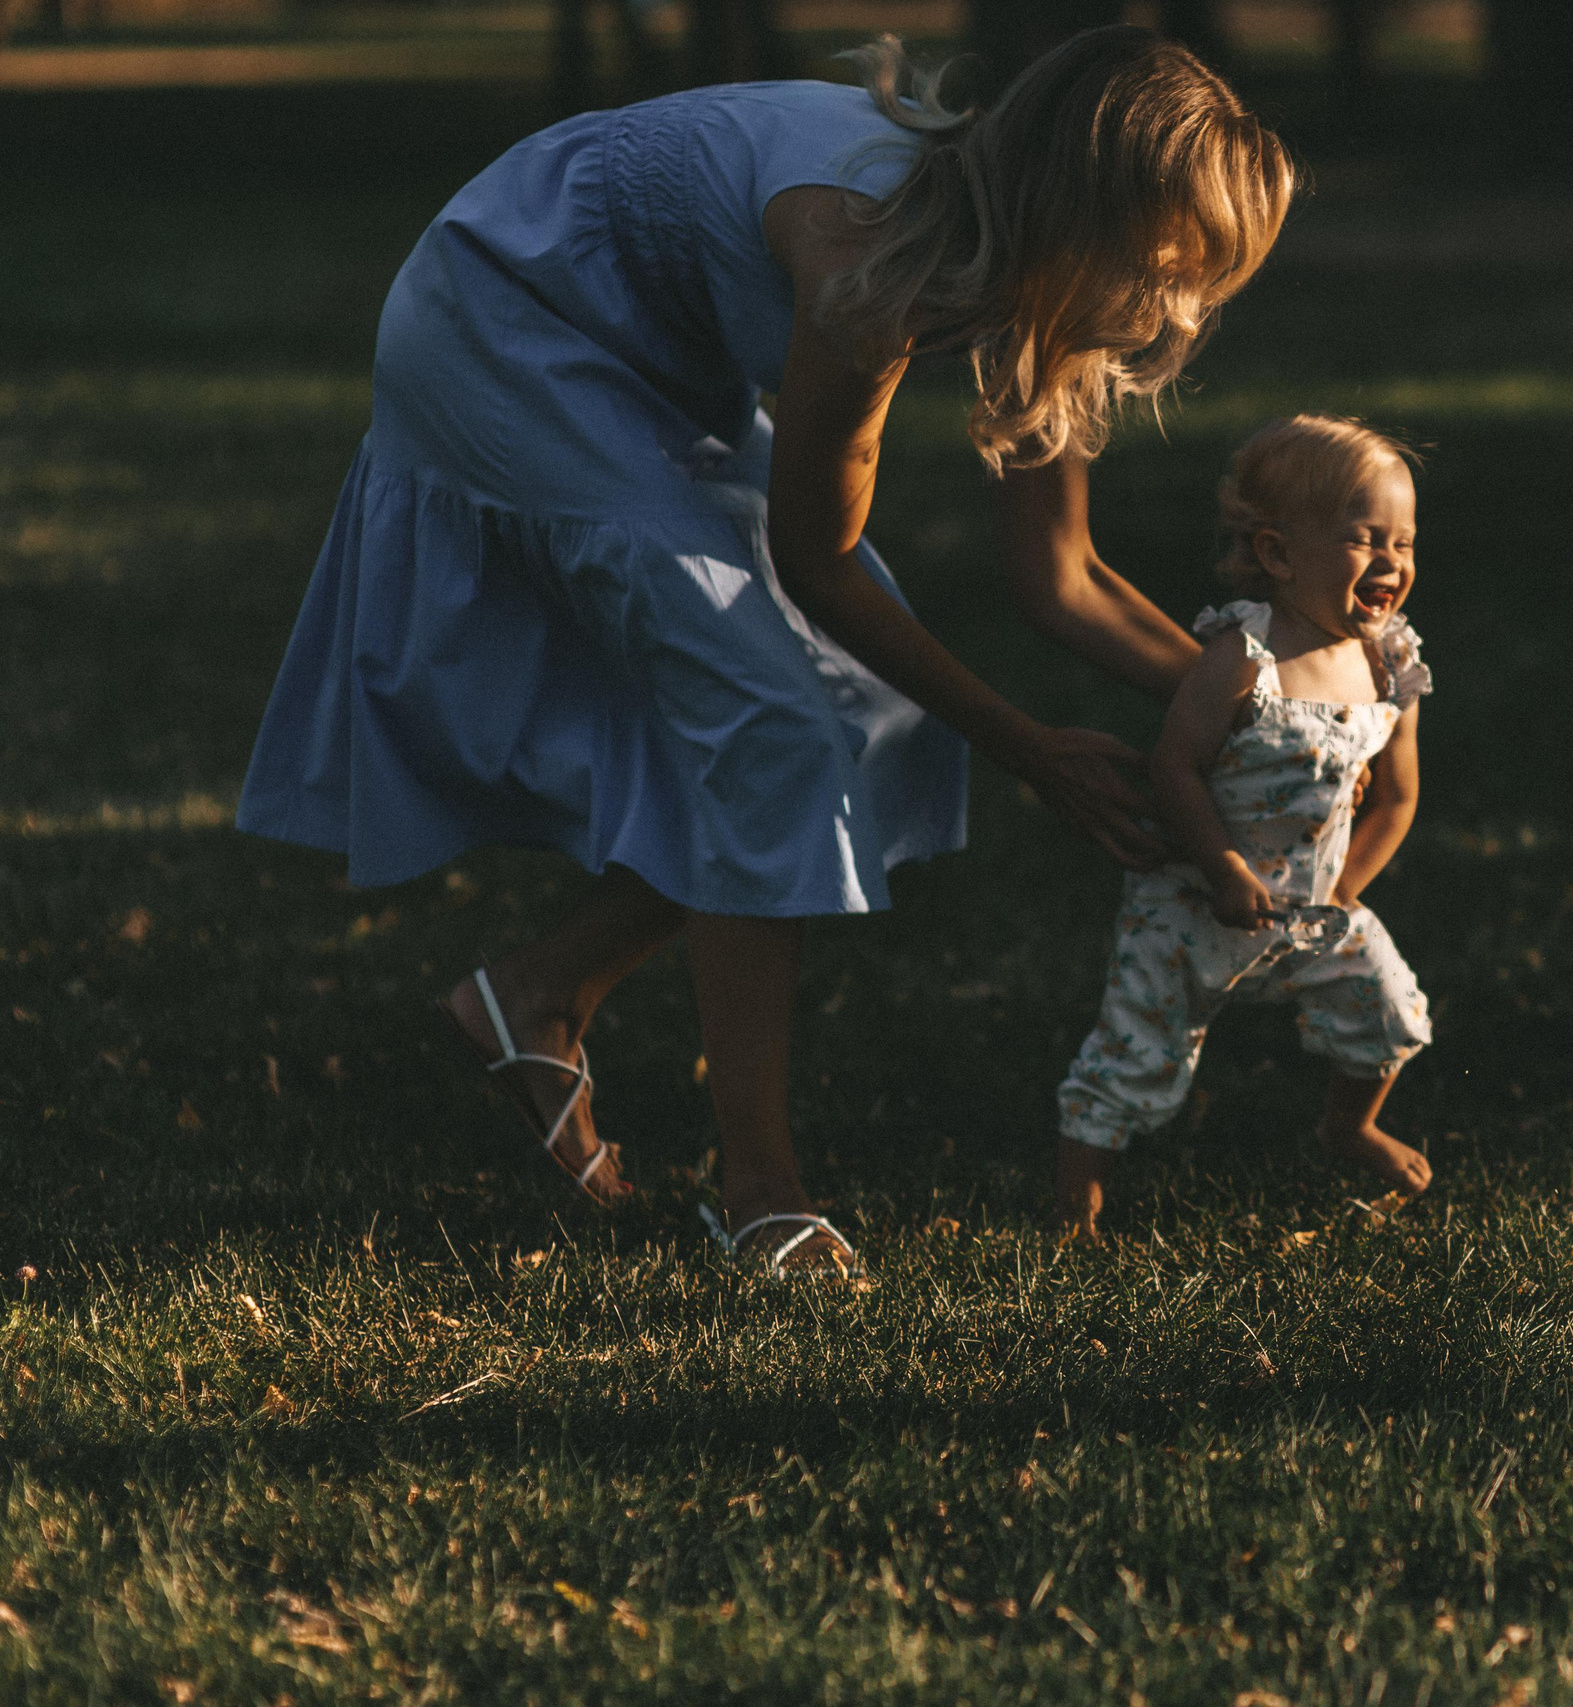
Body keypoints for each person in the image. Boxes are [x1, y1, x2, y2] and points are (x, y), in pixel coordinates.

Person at [233, 28, 1293, 1272]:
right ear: (1074, 206)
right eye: (1165, 269)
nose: (1176, 312)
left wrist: (1271, 710)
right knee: (779, 727)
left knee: (867, 712)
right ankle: (759, 1196)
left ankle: (537, 995)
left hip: (646, 362)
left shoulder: (1028, 268)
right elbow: (817, 561)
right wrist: (1027, 749)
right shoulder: (867, 250)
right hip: (504, 322)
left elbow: (1060, 578)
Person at [1053, 415, 1436, 1238]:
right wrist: (1224, 865)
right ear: (1278, 554)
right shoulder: (1242, 656)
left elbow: (1396, 797)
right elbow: (1175, 765)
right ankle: (1078, 1196)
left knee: (1390, 1006)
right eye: (1365, 540)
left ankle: (1349, 1124)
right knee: (1137, 1046)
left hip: (1315, 909)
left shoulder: (1388, 663)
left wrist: (1343, 888)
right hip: (1196, 901)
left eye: (1403, 544)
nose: (1391, 563)